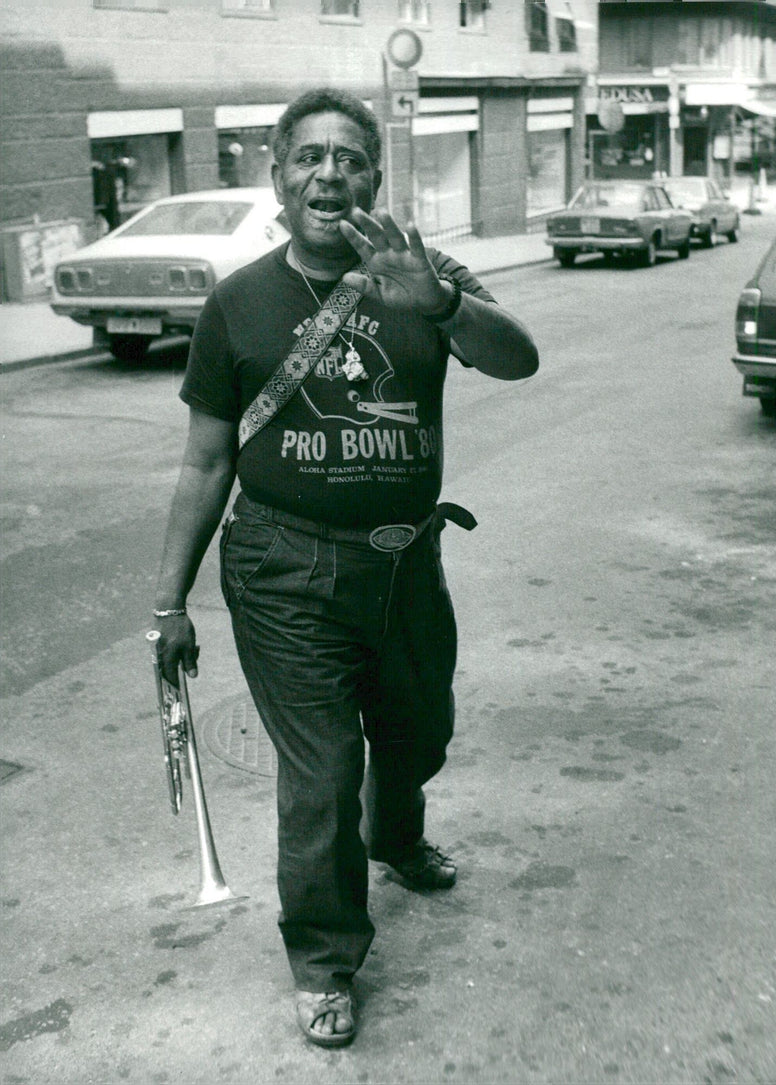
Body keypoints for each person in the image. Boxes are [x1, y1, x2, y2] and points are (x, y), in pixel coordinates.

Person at [152, 87, 538, 1048]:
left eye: (351, 158)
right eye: (309, 157)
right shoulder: (238, 304)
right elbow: (205, 462)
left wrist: (442, 303)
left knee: (417, 735)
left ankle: (396, 836)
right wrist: (169, 606)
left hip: (408, 563)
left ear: (377, 175)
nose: (331, 173)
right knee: (323, 771)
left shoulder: (421, 269)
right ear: (280, 176)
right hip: (284, 568)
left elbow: (520, 358)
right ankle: (324, 958)